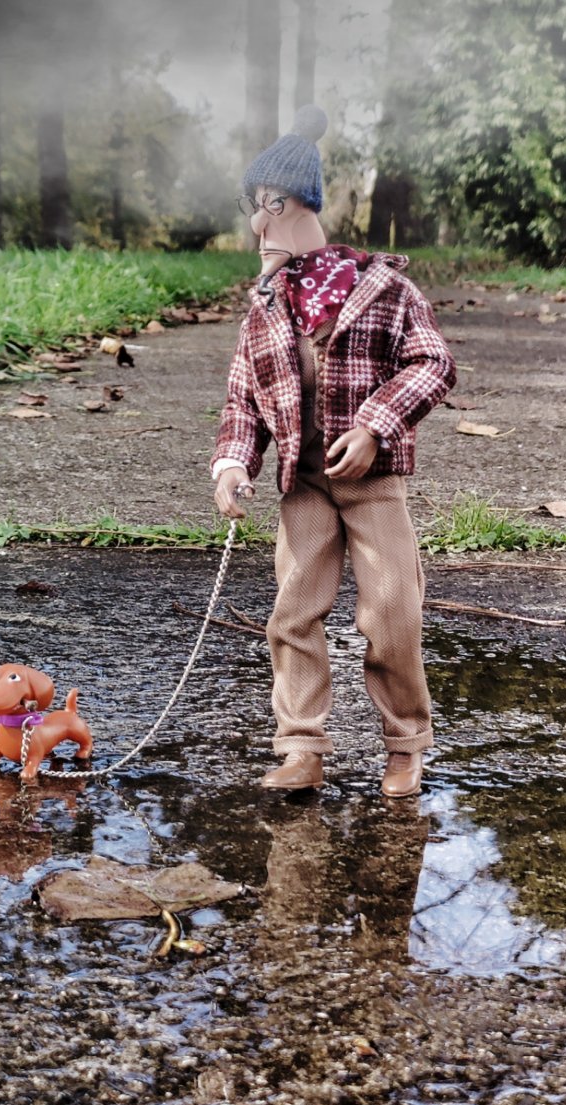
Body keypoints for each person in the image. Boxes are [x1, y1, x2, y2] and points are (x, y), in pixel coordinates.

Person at [211, 106, 456, 798]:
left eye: (261, 211)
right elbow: (243, 399)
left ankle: (406, 745)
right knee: (292, 611)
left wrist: (378, 422)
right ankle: (301, 746)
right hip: (304, 483)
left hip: (373, 479)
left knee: (391, 614)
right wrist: (233, 462)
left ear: (282, 205)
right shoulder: (266, 306)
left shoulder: (385, 289)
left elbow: (432, 362)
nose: (256, 229)